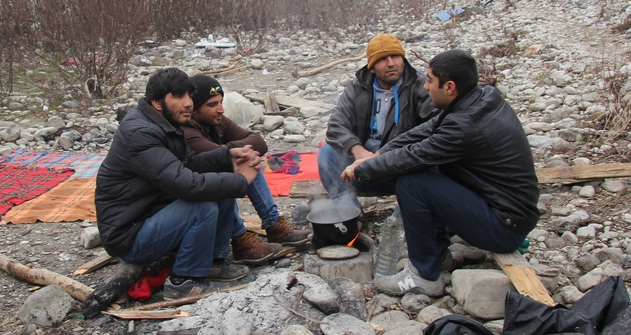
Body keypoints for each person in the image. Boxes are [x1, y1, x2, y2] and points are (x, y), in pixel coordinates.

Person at [342, 49, 539, 297]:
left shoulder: (464, 127)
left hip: (504, 226)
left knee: (413, 180)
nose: (425, 87)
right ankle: (440, 257)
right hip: (504, 211)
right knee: (427, 171)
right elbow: (425, 130)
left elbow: (414, 156)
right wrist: (376, 155)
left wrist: (362, 170)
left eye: (430, 81)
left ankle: (424, 275)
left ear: (449, 87)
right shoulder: (481, 98)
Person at [95, 68, 262, 299]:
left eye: (189, 96)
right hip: (129, 234)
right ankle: (185, 282)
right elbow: (187, 185)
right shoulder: (140, 133)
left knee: (220, 188)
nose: (188, 104)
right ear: (156, 101)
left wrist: (228, 156)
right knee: (201, 206)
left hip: (152, 214)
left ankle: (211, 262)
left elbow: (189, 162)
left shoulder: (167, 121)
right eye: (178, 96)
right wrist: (241, 179)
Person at [184, 75, 312, 262]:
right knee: (235, 163)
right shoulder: (187, 132)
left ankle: (274, 225)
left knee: (248, 158)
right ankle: (239, 239)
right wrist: (234, 151)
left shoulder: (217, 121)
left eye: (220, 102)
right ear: (194, 109)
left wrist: (234, 149)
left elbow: (259, 142)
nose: (221, 109)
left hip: (209, 188)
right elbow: (218, 159)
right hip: (194, 200)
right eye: (212, 105)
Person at [319, 33, 435, 209]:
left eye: (395, 56)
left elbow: (433, 130)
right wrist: (359, 152)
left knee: (431, 167)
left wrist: (384, 158)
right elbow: (336, 123)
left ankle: (411, 214)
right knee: (327, 154)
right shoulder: (359, 86)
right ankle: (350, 213)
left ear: (403, 59)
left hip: (399, 168)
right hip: (361, 167)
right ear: (372, 67)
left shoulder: (420, 87)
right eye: (382, 59)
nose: (390, 63)